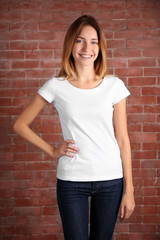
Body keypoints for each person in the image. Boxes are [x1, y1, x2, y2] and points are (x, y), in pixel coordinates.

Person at [14, 15, 135, 240]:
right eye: (80, 40)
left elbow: (123, 140)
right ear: (70, 44)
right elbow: (21, 125)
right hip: (71, 181)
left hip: (111, 180)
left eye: (93, 41)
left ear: (100, 47)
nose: (87, 47)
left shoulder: (114, 86)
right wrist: (52, 151)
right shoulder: (56, 86)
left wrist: (130, 190)